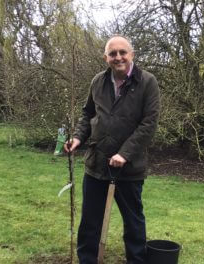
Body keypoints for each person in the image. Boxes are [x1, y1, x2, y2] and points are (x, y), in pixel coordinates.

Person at [64, 35, 160, 264]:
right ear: (106, 57)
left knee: (133, 220)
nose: (118, 57)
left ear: (132, 55)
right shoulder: (98, 81)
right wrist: (78, 138)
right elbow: (88, 113)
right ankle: (87, 260)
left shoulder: (147, 82)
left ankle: (136, 260)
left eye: (122, 52)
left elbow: (149, 123)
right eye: (113, 53)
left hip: (129, 168)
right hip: (96, 162)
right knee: (90, 221)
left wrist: (125, 153)